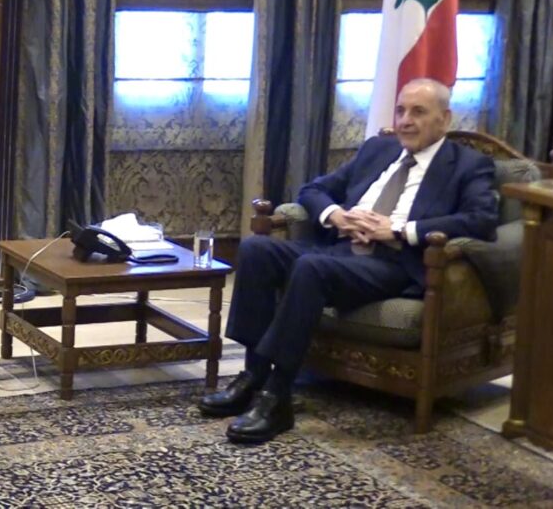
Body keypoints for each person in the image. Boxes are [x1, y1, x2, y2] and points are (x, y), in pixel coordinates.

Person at [200, 78, 498, 443]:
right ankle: (253, 375)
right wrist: (336, 215)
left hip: (392, 263)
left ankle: (277, 397)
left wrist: (398, 229)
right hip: (339, 248)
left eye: (418, 112)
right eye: (401, 110)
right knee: (256, 249)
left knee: (310, 268)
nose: (405, 121)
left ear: (444, 118)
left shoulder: (468, 165)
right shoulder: (378, 149)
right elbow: (313, 190)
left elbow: (482, 220)